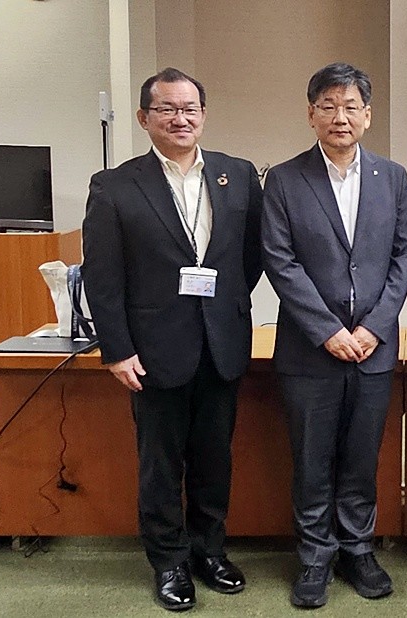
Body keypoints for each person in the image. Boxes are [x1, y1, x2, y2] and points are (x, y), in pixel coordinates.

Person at [82, 67, 262, 611]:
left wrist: (224, 307)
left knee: (214, 457)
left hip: (221, 341)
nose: (180, 118)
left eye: (190, 109)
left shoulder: (238, 174)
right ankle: (168, 562)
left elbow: (250, 258)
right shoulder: (115, 185)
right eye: (166, 109)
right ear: (144, 118)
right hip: (153, 348)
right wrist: (117, 349)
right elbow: (103, 277)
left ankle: (209, 551)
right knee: (160, 463)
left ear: (203, 115)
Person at [261, 63, 407, 609]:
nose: (340, 116)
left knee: (360, 458)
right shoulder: (284, 179)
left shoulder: (392, 178)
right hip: (309, 351)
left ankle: (358, 549)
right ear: (311, 114)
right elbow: (279, 259)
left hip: (374, 350)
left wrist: (375, 327)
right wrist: (328, 330)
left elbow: (404, 254)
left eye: (351, 106)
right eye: (328, 106)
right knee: (311, 460)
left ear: (368, 116)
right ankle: (314, 557)